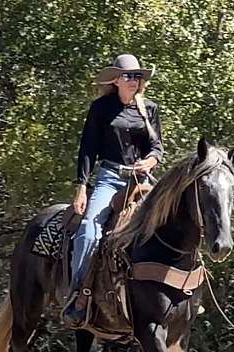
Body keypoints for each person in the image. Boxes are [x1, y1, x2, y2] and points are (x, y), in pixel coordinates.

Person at [63, 54, 164, 326]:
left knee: (173, 221)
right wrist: (81, 187)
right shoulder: (101, 108)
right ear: (116, 80)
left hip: (142, 179)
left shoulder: (149, 109)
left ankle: (178, 292)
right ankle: (78, 296)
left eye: (138, 76)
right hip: (110, 176)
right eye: (129, 76)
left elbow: (157, 147)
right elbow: (88, 149)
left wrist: (151, 160)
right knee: (89, 232)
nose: (134, 81)